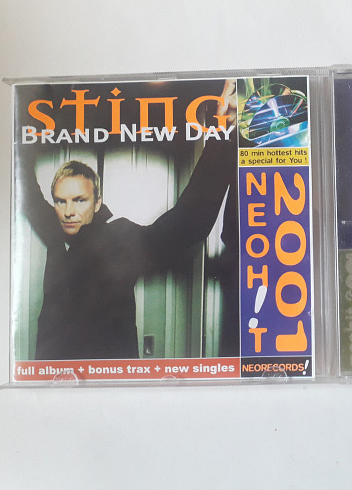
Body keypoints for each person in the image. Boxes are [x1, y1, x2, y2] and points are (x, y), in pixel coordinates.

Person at [17, 82, 237, 361]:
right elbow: (25, 190)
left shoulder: (119, 239)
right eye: (60, 201)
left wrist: (222, 133)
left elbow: (189, 223)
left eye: (80, 200)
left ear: (97, 203)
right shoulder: (55, 234)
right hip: (54, 379)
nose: (69, 211)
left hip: (111, 379)